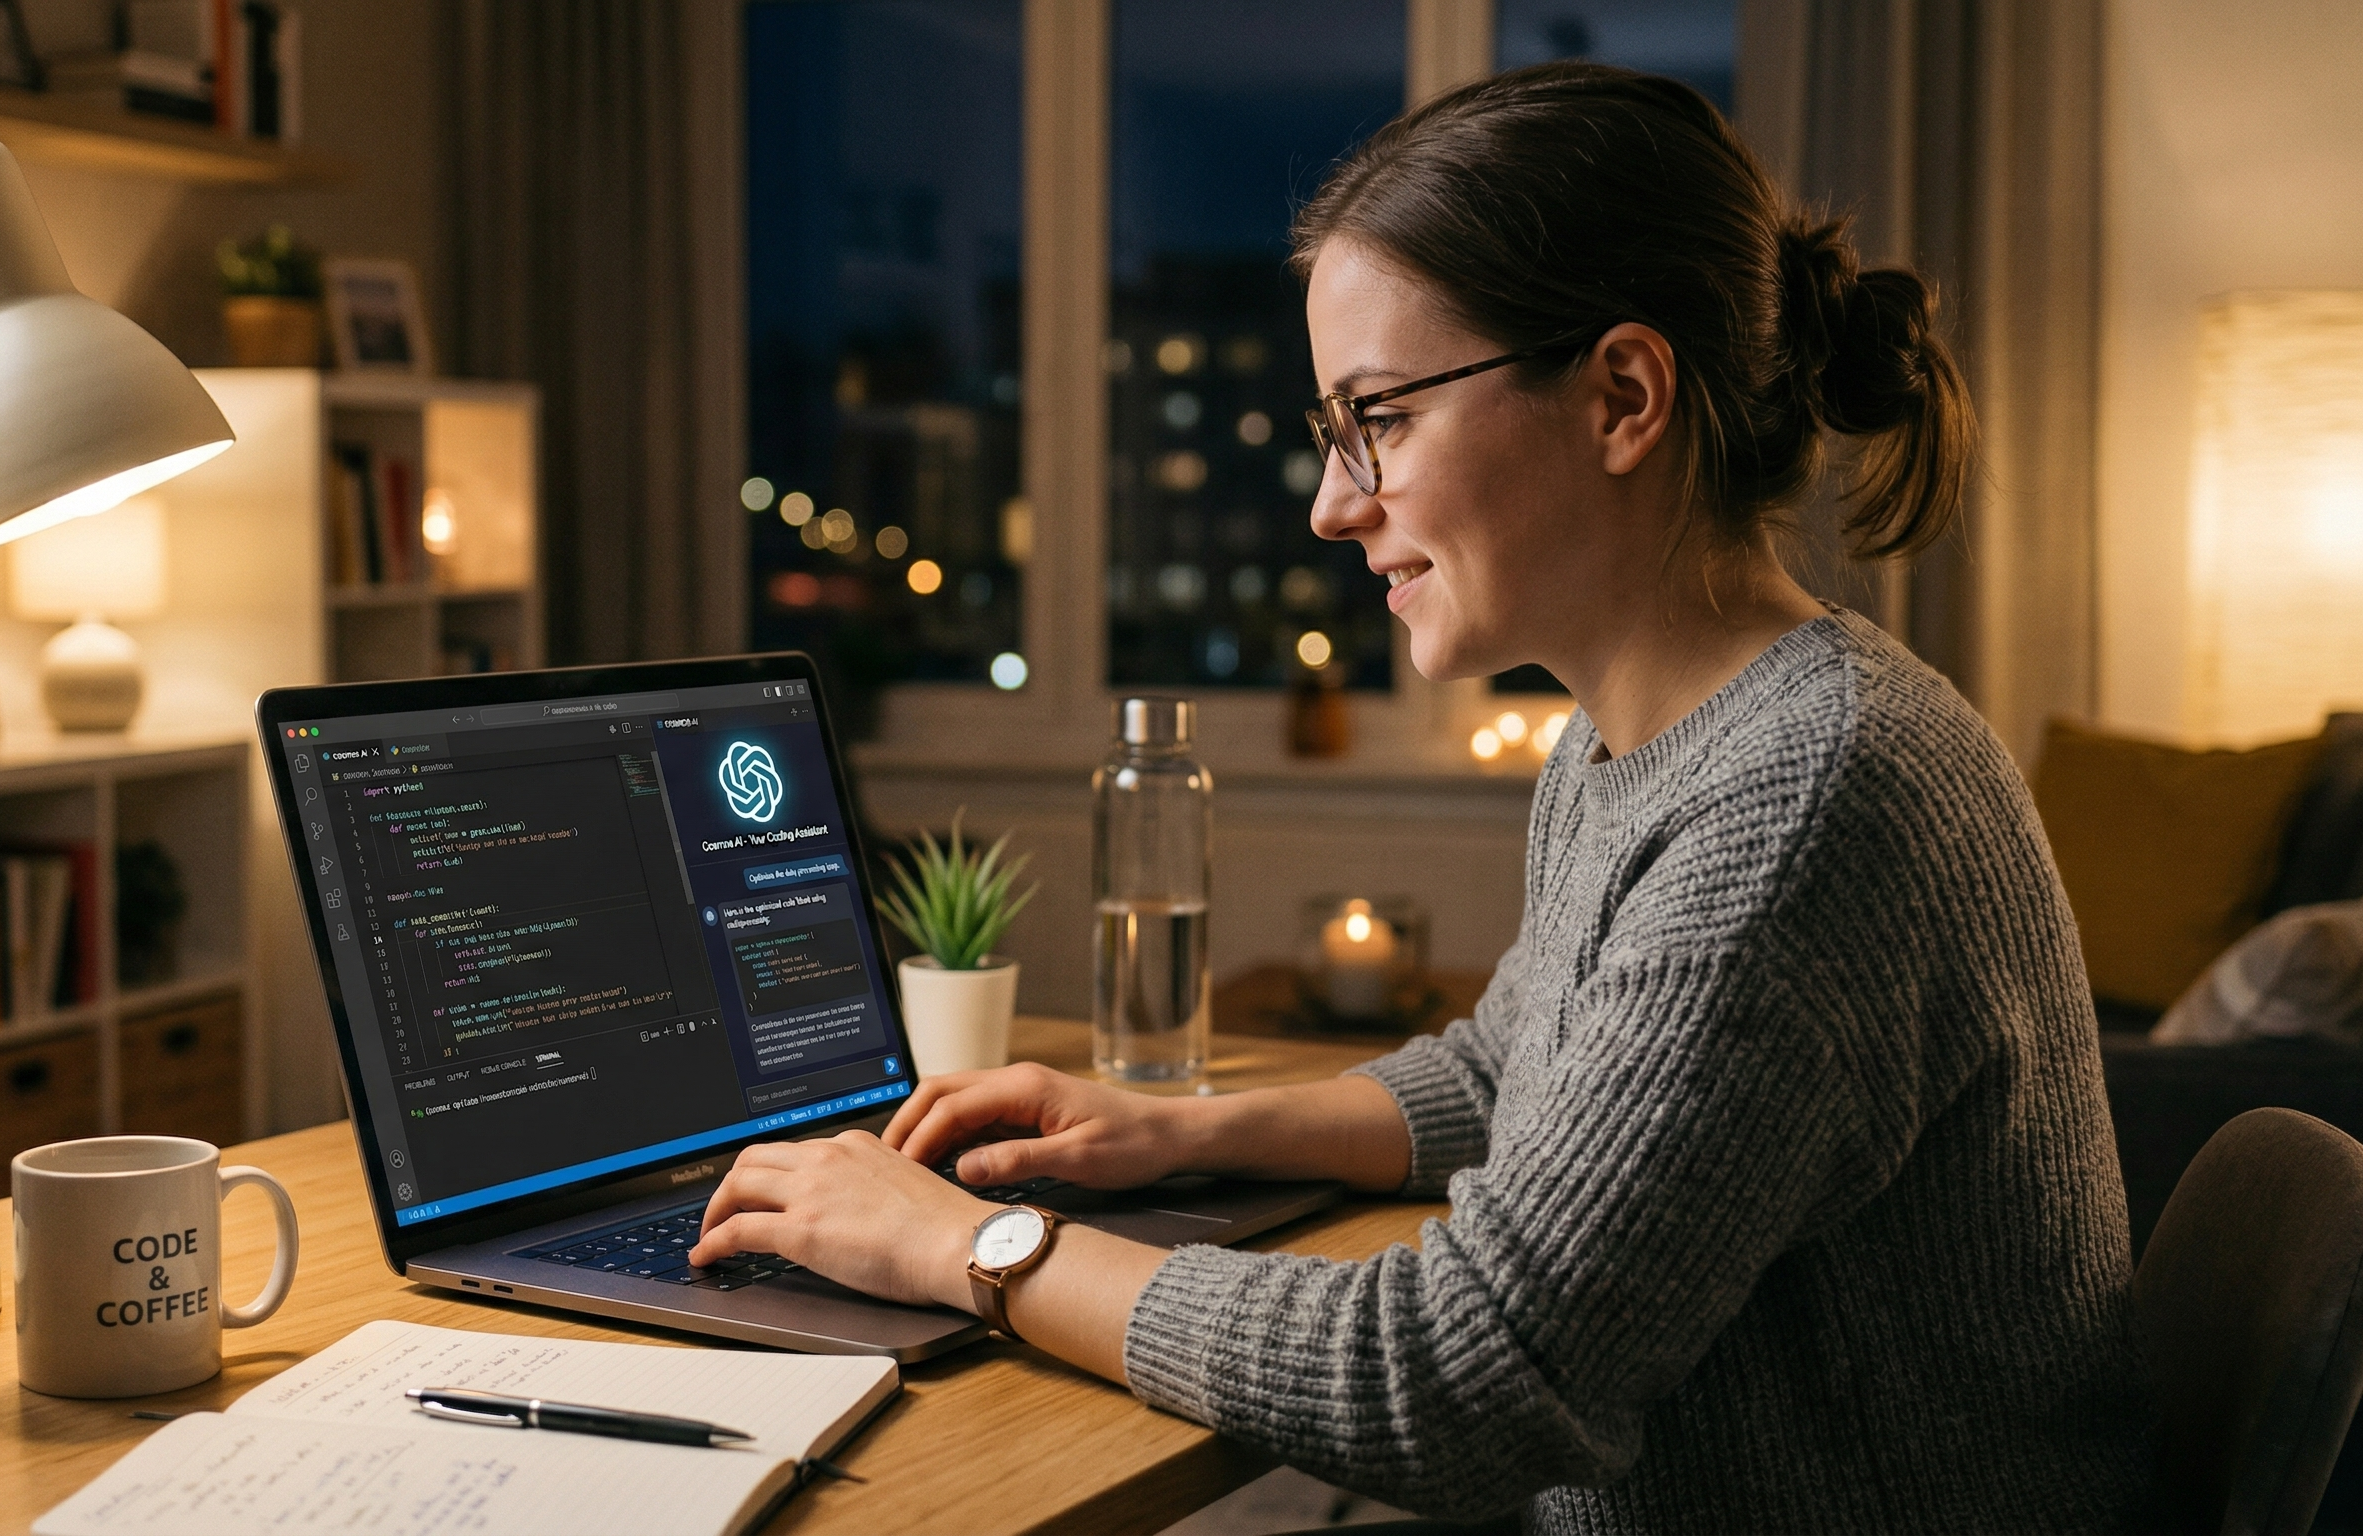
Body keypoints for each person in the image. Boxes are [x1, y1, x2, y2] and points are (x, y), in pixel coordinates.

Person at [690, 62, 2155, 1532]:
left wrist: (971, 1249)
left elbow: (1457, 1379)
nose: (1333, 503)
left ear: (1622, 397)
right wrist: (1169, 1125)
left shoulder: (1811, 804)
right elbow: (1511, 1072)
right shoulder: (1632, 748)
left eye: (1375, 415)